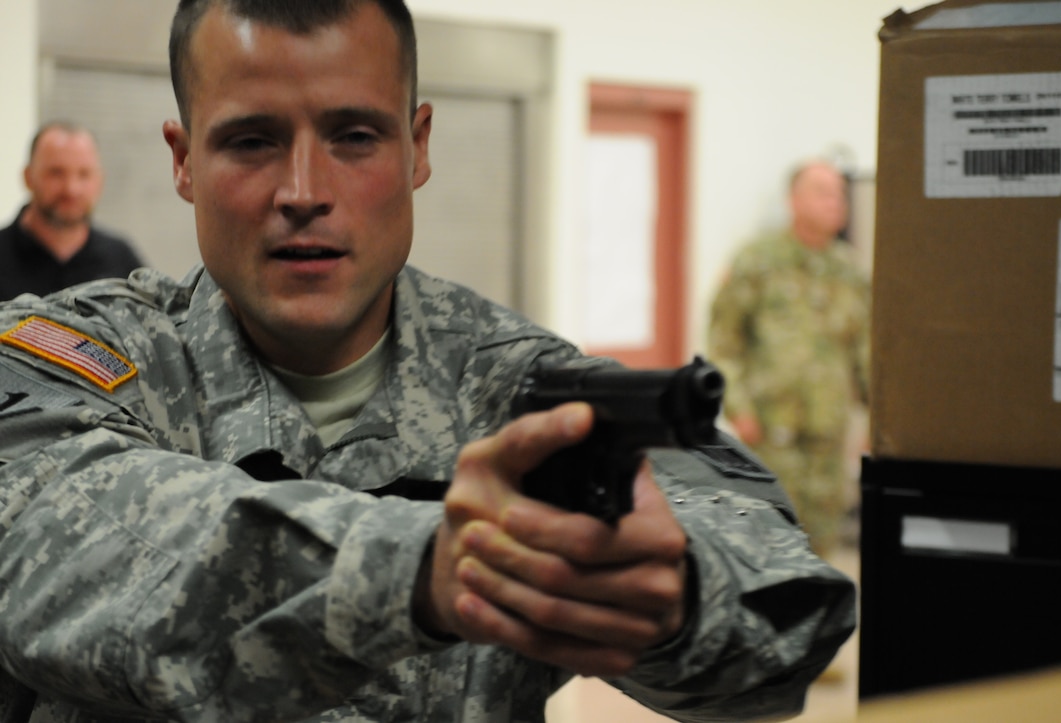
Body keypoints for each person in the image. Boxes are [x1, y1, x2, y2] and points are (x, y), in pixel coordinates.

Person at [0, 2, 856, 721]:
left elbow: (779, 598)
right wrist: (440, 567)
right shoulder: (70, 357)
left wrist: (668, 597)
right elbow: (70, 544)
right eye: (253, 141)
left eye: (354, 136)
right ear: (184, 160)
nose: (303, 189)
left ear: (418, 147)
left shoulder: (526, 388)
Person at [707, 160, 871, 560]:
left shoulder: (850, 270)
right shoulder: (757, 261)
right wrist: (739, 409)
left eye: (840, 194)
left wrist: (876, 420)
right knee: (767, 543)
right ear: (793, 200)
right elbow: (724, 343)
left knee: (820, 550)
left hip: (827, 437)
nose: (835, 203)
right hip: (769, 432)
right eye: (822, 192)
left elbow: (865, 352)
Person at [0, 122, 144, 301]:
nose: (71, 189)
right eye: (56, 173)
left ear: (100, 181)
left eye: (84, 174)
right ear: (28, 177)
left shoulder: (122, 261)